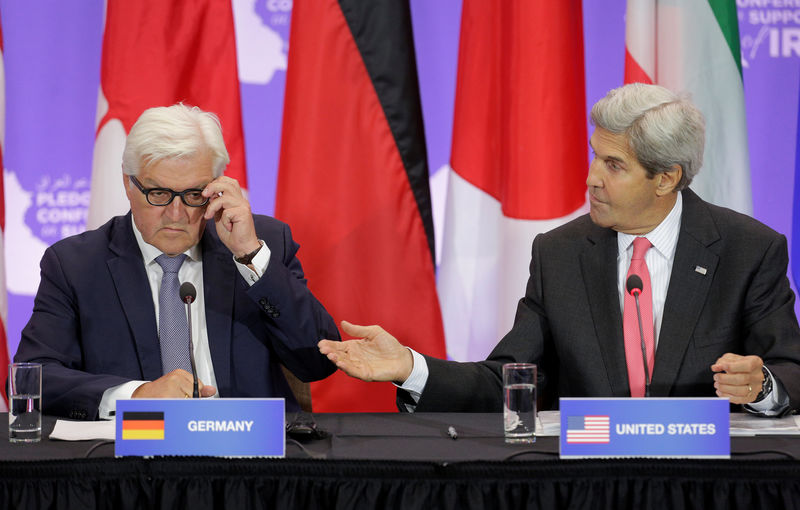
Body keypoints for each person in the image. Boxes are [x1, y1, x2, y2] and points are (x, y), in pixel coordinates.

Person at [319, 83, 800, 416]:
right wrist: (411, 366)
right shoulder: (561, 253)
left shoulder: (747, 251)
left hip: (708, 482)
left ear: (666, 178)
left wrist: (762, 387)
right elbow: (512, 379)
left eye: (615, 165)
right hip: (590, 480)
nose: (592, 177)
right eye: (596, 156)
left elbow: (790, 372)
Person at [14, 103, 339, 420]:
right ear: (128, 183)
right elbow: (35, 377)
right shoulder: (76, 265)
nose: (175, 214)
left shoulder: (262, 242)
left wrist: (250, 257)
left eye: (194, 195)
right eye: (158, 193)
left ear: (217, 188)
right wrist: (135, 396)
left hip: (250, 458)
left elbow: (319, 361)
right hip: (136, 464)